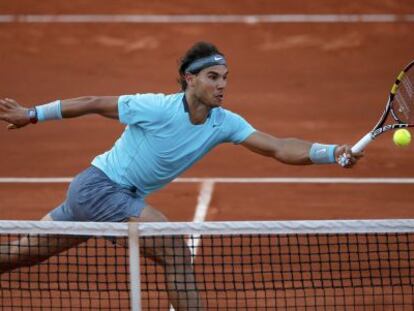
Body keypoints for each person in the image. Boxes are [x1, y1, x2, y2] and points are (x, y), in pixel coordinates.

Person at [0, 41, 361, 310]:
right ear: (190, 79)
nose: (222, 85)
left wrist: (331, 152)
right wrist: (31, 114)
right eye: (213, 77)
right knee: (174, 249)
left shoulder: (224, 122)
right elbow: (93, 102)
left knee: (20, 255)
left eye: (225, 78)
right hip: (100, 188)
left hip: (109, 197)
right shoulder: (156, 107)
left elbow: (279, 147)